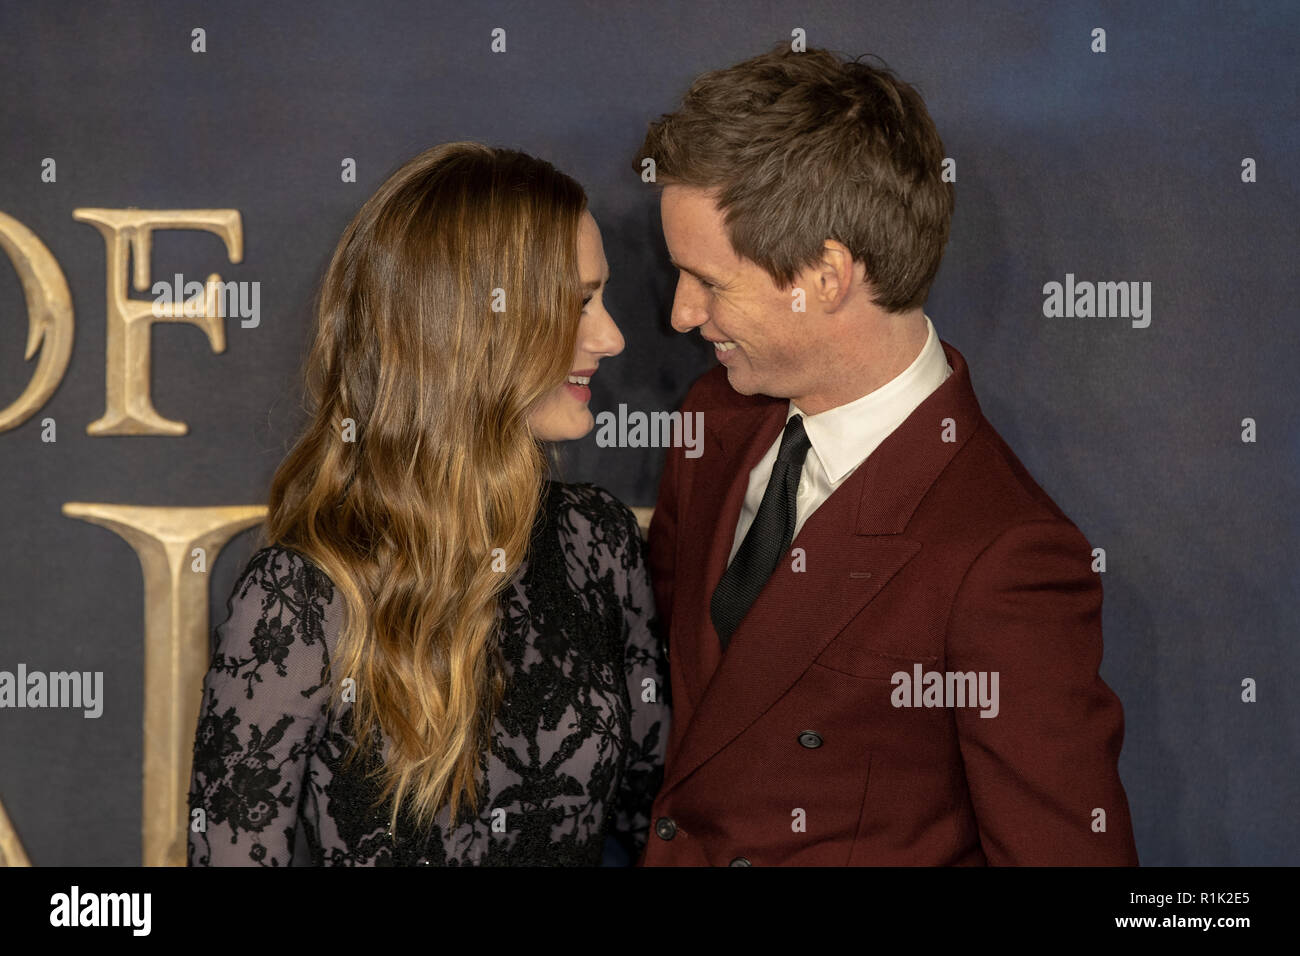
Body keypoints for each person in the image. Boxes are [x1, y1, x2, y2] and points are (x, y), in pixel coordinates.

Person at [638, 46, 1139, 865]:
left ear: (827, 274)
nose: (682, 315)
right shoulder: (711, 425)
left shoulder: (1005, 557)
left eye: (709, 282)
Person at [187, 142, 667, 866]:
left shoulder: (596, 542)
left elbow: (651, 821)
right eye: (576, 304)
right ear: (473, 329)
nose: (610, 336)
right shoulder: (303, 596)